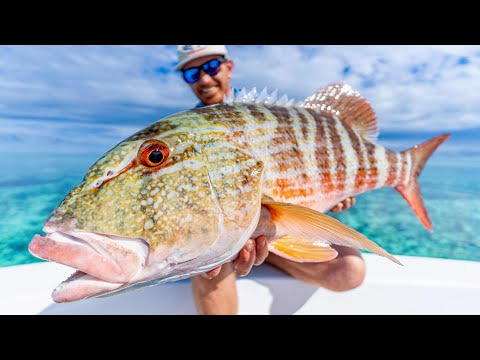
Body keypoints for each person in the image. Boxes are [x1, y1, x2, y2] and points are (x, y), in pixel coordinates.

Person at [175, 45, 365, 315]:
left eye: (211, 67)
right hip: (223, 240)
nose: (204, 79)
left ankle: (263, 254)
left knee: (349, 271)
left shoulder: (267, 114)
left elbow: (309, 169)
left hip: (274, 229)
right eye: (192, 73)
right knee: (207, 261)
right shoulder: (184, 133)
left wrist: (333, 191)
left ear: (229, 67)